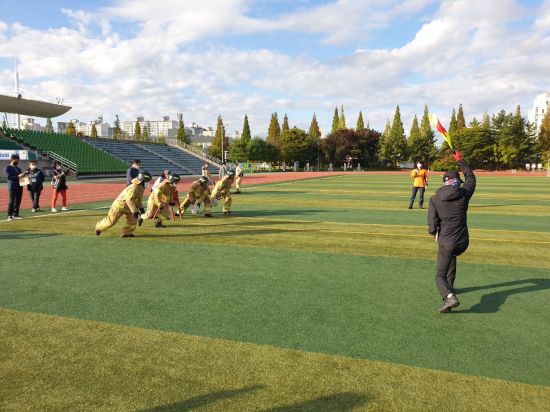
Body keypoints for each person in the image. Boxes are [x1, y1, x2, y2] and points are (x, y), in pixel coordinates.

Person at [428, 152, 476, 313]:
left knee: (439, 276)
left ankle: (449, 296)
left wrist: (434, 233)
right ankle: (450, 289)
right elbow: (471, 178)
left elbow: (432, 224)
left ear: (444, 182)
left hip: (447, 241)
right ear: (455, 182)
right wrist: (460, 161)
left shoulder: (434, 199)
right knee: (452, 257)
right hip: (463, 242)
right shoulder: (463, 194)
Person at [95, 171, 152, 237]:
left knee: (133, 220)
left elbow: (138, 199)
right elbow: (129, 200)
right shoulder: (134, 187)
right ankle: (98, 227)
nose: (148, 183)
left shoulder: (141, 188)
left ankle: (127, 233)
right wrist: (135, 211)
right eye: (147, 181)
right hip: (119, 206)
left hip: (129, 207)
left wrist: (141, 209)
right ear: (142, 180)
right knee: (111, 221)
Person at [4, 154, 26, 220]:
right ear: (12, 160)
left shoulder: (18, 168)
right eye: (16, 160)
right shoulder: (7, 168)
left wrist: (24, 175)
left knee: (18, 201)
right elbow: (9, 177)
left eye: (18, 160)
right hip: (12, 187)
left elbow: (21, 176)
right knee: (12, 201)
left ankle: (16, 214)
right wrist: (18, 176)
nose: (17, 161)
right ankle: (9, 215)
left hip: (19, 186)